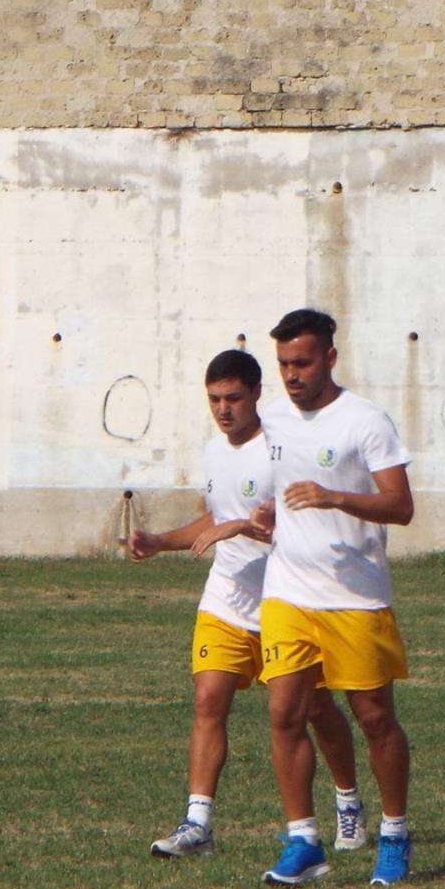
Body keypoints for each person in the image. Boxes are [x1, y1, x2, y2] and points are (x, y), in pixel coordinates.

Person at [129, 349, 367, 860]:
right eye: (214, 399)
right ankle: (199, 823)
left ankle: (348, 802)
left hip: (287, 601)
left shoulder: (281, 450)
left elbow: (293, 527)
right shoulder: (215, 452)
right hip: (225, 599)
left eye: (233, 397)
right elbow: (214, 521)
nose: (223, 409)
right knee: (208, 701)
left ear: (258, 393)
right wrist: (159, 541)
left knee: (317, 710)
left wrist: (241, 526)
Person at [254, 308, 417, 889]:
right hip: (287, 594)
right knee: (284, 713)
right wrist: (268, 512)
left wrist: (335, 497)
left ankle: (395, 834)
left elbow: (400, 506)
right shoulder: (270, 421)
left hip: (355, 597)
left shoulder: (365, 421)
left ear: (329, 357)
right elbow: (277, 489)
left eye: (301, 362)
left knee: (375, 719)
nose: (291, 375)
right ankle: (304, 840)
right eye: (283, 365)